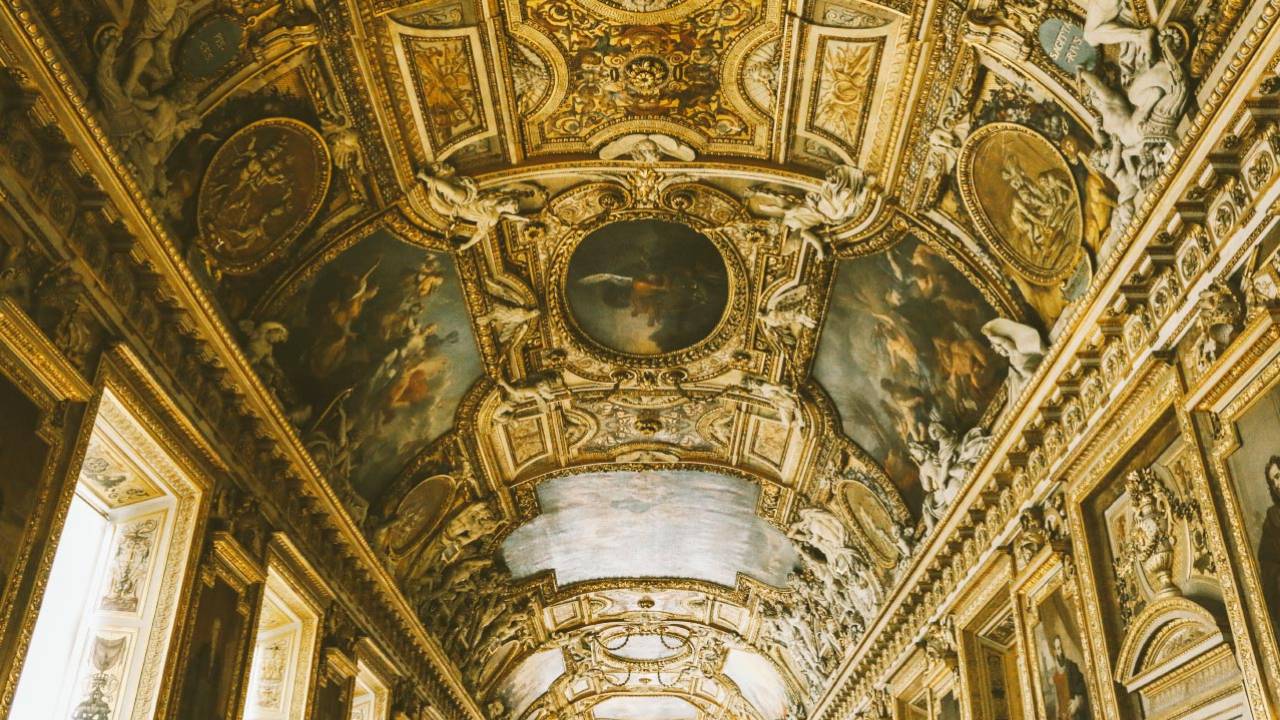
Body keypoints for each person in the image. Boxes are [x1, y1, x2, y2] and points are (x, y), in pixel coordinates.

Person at [1259, 455, 1280, 641]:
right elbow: (1267, 562)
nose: (1277, 483)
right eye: (1273, 480)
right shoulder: (1273, 518)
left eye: (1279, 476)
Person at [1049, 635, 1089, 720]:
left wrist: (1077, 702)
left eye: (1061, 647)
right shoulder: (1054, 674)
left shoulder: (1072, 667)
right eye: (1058, 648)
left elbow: (1081, 688)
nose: (1061, 651)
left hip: (1074, 715)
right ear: (1054, 652)